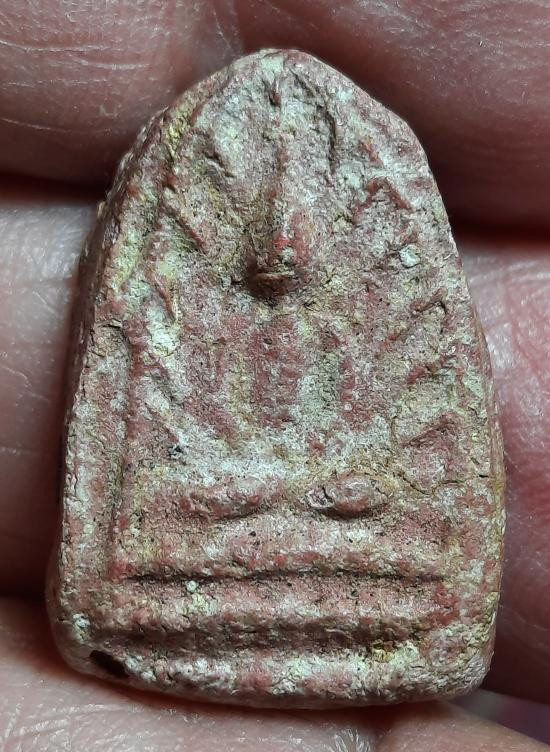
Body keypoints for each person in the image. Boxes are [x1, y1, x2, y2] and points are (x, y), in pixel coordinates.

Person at [0, 2, 548, 749]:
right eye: (264, 221)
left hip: (330, 521)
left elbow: (392, 446)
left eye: (297, 223)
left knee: (362, 501)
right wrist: (231, 491)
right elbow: (164, 438)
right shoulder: (201, 319)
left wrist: (336, 491)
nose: (279, 245)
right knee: (195, 508)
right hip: (225, 513)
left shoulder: (354, 322)